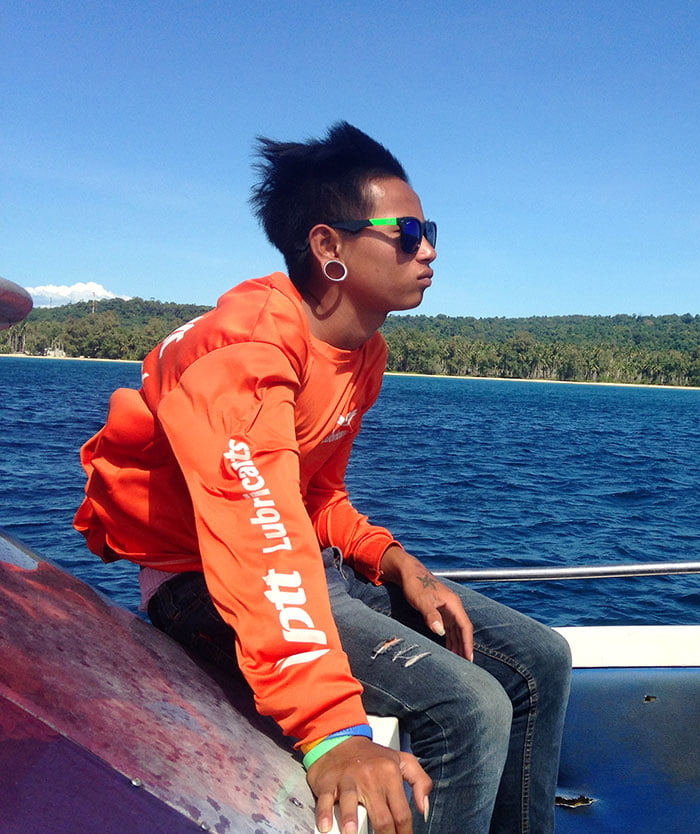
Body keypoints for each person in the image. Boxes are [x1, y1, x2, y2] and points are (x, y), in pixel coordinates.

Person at [73, 122, 571, 834]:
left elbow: (315, 498)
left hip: (298, 559)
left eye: (428, 229)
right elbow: (257, 540)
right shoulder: (244, 350)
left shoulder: (361, 350)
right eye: (404, 231)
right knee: (469, 706)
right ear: (328, 246)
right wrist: (333, 734)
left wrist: (394, 560)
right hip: (204, 581)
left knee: (539, 661)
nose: (427, 247)